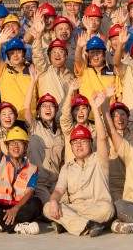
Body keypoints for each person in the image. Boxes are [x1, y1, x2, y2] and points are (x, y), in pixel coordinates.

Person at [45, 96, 115, 237]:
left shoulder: (99, 159)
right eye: (75, 142)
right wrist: (53, 201)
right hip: (75, 207)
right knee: (47, 207)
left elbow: (102, 138)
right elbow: (58, 190)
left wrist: (95, 109)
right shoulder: (67, 167)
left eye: (83, 141)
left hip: (96, 206)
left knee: (108, 209)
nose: (78, 145)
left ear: (91, 143)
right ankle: (89, 225)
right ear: (70, 146)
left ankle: (70, 223)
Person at [0, 125, 41, 234]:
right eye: (12, 143)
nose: (15, 146)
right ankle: (15, 226)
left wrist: (15, 209)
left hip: (19, 208)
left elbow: (29, 193)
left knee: (36, 203)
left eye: (19, 143)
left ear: (25, 147)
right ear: (7, 147)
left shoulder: (32, 168)